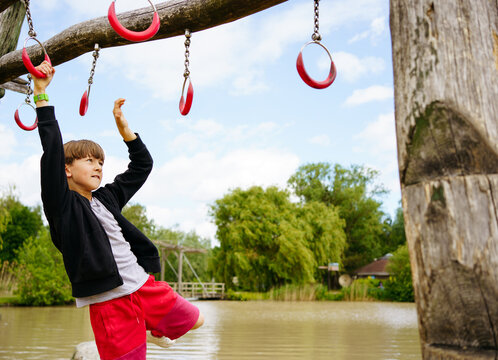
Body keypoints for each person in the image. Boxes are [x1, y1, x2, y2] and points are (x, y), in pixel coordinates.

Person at [32, 60, 204, 360]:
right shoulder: (63, 205)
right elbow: (51, 150)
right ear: (66, 171)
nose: (98, 165)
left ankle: (153, 328)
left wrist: (126, 132)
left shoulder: (106, 198)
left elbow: (142, 167)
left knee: (197, 320)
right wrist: (41, 95)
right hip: (109, 301)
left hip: (143, 285)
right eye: (88, 160)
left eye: (100, 161)